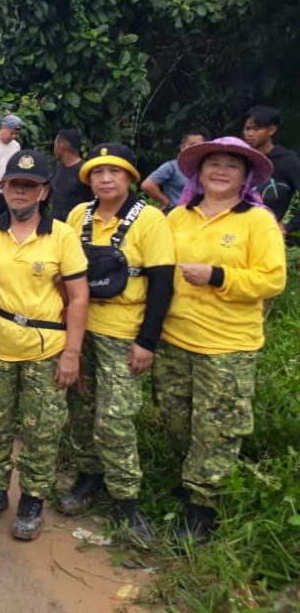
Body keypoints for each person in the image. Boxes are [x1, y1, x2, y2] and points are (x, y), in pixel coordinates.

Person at [154, 137, 286, 542]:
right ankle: (191, 478)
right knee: (177, 418)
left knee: (217, 427)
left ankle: (203, 505)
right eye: (214, 162)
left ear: (246, 176)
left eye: (232, 164)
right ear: (199, 171)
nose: (221, 170)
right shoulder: (178, 216)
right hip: (174, 337)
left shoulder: (257, 221)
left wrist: (218, 275)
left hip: (227, 343)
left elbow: (273, 279)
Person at [0, 150, 89, 541]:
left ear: (43, 191)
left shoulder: (62, 235)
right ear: (3, 187)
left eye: (29, 185)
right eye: (13, 184)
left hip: (46, 347)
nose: (20, 192)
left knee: (41, 431)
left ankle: (33, 499)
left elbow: (80, 296)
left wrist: (72, 352)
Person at [60, 144, 175, 543]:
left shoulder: (151, 221)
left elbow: (163, 282)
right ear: (89, 179)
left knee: (115, 418)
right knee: (80, 406)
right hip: (80, 327)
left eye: (115, 171)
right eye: (98, 172)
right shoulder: (79, 216)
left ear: (129, 177)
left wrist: (148, 341)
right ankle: (88, 476)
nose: (106, 179)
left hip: (124, 331)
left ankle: (126, 499)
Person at [241, 105, 300, 235]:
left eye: (256, 129)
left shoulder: (287, 161)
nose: (250, 134)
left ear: (271, 130)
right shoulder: (242, 160)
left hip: (266, 234)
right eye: (247, 129)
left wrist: (289, 226)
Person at [140, 131, 206, 212]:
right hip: (175, 213)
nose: (196, 148)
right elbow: (147, 185)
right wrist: (167, 202)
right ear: (182, 147)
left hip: (201, 213)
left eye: (200, 145)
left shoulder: (206, 168)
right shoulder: (172, 167)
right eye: (192, 145)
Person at [49, 129, 93, 221]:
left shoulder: (84, 170)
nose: (54, 148)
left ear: (62, 145)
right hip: (57, 225)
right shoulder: (58, 167)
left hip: (78, 224)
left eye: (55, 144)